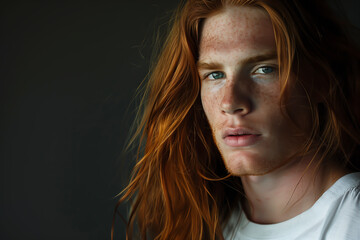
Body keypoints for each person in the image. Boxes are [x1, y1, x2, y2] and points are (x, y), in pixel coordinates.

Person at [113, 0, 360, 239]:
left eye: (264, 69)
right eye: (215, 74)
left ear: (321, 79)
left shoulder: (352, 223)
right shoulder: (211, 222)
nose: (230, 103)